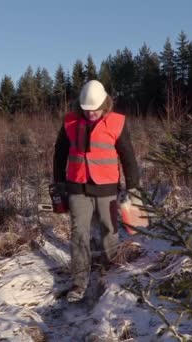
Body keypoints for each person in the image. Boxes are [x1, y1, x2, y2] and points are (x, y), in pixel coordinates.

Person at [53, 80, 140, 302]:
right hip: (77, 187)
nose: (91, 114)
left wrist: (133, 185)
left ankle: (109, 274)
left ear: (105, 104)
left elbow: (128, 156)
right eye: (87, 110)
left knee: (108, 230)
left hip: (107, 188)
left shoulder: (117, 123)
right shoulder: (70, 122)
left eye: (96, 110)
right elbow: (60, 153)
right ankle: (79, 282)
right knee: (78, 233)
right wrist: (59, 182)